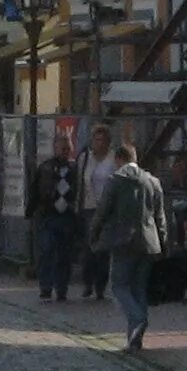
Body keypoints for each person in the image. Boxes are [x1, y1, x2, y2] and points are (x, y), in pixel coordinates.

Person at [93, 140, 166, 351]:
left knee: (119, 286)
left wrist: (94, 235)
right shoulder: (153, 181)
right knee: (138, 288)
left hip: (123, 241)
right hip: (149, 243)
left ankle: (138, 318)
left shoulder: (115, 181)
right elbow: (160, 216)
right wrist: (163, 242)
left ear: (119, 159)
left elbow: (102, 212)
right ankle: (135, 340)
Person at [31, 127, 85, 301]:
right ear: (55, 148)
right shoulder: (46, 167)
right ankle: (45, 287)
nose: (65, 151)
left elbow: (79, 190)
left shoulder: (75, 168)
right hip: (47, 215)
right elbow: (35, 190)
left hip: (67, 217)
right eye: (62, 148)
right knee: (46, 251)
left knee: (63, 255)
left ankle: (61, 288)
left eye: (68, 148)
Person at [77, 125, 121, 301]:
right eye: (97, 139)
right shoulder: (85, 158)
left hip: (108, 209)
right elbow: (79, 182)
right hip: (89, 208)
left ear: (108, 142)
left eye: (103, 140)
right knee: (89, 248)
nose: (100, 143)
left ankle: (100, 286)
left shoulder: (113, 158)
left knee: (102, 249)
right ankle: (87, 282)